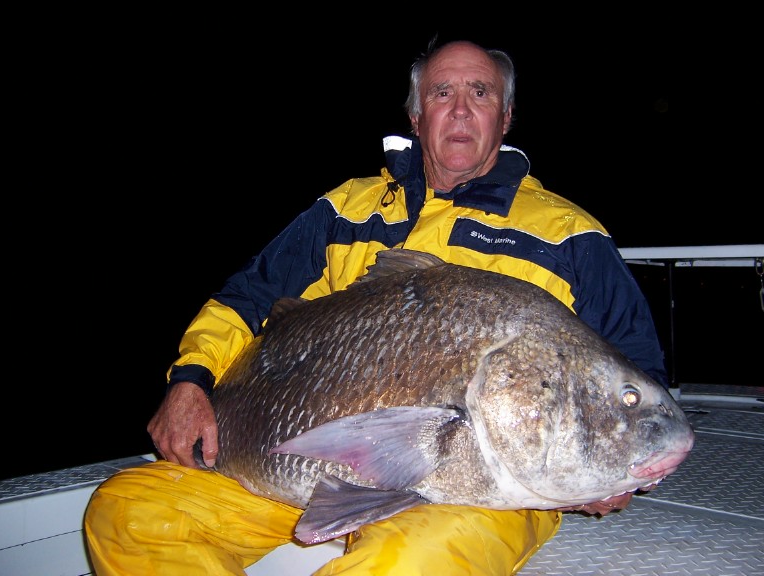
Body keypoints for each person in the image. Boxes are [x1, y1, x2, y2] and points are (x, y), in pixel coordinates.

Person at [84, 38, 667, 575]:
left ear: (506, 116)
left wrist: (616, 471)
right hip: (282, 469)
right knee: (129, 514)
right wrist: (189, 382)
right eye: (443, 93)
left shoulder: (570, 236)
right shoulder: (346, 210)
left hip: (481, 493)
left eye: (480, 93)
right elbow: (248, 298)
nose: (461, 110)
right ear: (417, 117)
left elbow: (635, 367)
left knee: (405, 562)